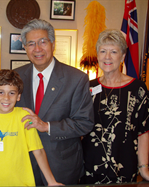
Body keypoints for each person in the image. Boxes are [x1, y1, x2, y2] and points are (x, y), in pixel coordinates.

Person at [14, 19, 95, 185]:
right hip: (23, 164)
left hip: (60, 166)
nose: (37, 49)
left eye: (43, 42)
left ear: (52, 43)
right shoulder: (15, 77)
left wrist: (47, 126)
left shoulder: (76, 79)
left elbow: (84, 123)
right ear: (24, 48)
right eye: (31, 44)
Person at [80, 29, 149, 184]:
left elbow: (143, 132)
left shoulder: (137, 89)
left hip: (124, 169)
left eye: (113, 51)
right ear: (98, 55)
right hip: (90, 168)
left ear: (122, 56)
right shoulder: (87, 88)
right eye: (103, 51)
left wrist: (144, 169)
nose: (107, 57)